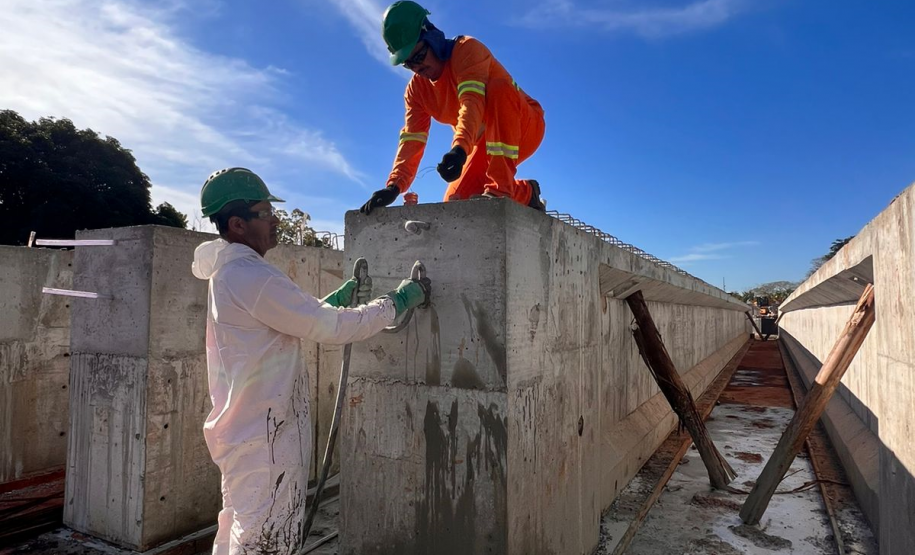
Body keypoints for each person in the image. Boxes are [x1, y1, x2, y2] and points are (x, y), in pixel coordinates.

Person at [191, 167, 430, 554]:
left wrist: (334, 301)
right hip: (265, 444)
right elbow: (330, 328)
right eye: (266, 214)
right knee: (265, 543)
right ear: (237, 224)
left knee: (238, 531)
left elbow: (283, 323)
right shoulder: (251, 275)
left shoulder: (231, 272)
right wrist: (396, 302)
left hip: (247, 435)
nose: (275, 222)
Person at [360, 0, 546, 215]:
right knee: (457, 201)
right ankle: (527, 193)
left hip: (525, 126)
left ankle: (501, 189)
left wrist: (459, 149)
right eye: (408, 64)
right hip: (483, 141)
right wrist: (394, 186)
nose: (417, 68)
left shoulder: (467, 50)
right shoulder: (416, 91)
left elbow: (471, 101)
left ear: (432, 37)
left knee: (499, 88)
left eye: (419, 56)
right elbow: (412, 138)